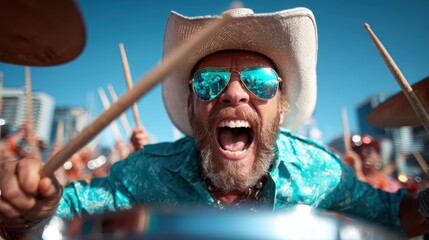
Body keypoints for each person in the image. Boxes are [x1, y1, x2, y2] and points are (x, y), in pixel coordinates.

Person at [0, 7, 428, 239]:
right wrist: (30, 209)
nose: (235, 93)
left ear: (280, 107)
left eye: (261, 82)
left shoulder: (320, 171)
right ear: (191, 106)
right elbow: (60, 218)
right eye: (209, 82)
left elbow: (394, 217)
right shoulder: (148, 171)